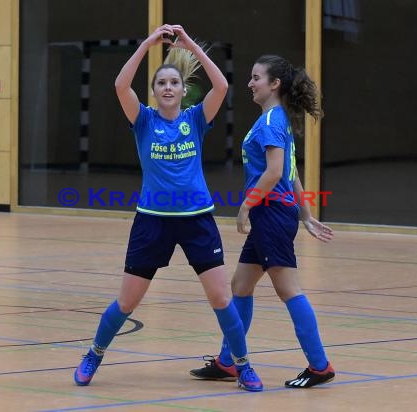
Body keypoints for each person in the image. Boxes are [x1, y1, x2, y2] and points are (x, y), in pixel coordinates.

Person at [73, 24, 263, 392]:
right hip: (153, 223)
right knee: (127, 301)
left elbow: (221, 86)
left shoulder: (195, 119)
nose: (168, 88)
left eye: (174, 83)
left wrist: (189, 43)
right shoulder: (143, 120)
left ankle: (243, 366)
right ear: (155, 91)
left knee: (222, 298)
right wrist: (146, 44)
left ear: (183, 89)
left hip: (196, 221)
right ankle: (93, 354)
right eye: (162, 83)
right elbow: (119, 85)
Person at [189, 54, 336, 388]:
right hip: (274, 212)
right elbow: (291, 173)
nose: (250, 83)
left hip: (269, 213)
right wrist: (307, 214)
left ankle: (319, 366)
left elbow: (273, 173)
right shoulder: (276, 119)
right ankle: (229, 361)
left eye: (256, 77)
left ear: (275, 84)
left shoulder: (271, 121)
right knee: (240, 286)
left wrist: (246, 205)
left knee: (288, 289)